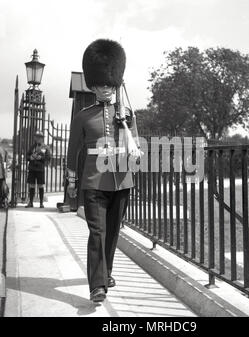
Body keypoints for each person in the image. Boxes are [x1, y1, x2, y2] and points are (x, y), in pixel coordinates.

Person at [66, 39, 142, 303]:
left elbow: (135, 145)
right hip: (93, 182)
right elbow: (73, 150)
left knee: (112, 231)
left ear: (116, 83)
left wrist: (132, 146)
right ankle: (97, 285)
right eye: (100, 84)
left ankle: (105, 272)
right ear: (93, 85)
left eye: (109, 84)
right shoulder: (83, 116)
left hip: (121, 181)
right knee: (97, 232)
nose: (105, 89)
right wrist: (72, 180)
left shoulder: (127, 114)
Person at [26, 130, 51, 208]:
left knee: (40, 186)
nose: (38, 138)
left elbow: (48, 158)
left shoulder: (46, 147)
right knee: (31, 186)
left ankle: (41, 203)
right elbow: (27, 156)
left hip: (40, 169)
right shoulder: (32, 147)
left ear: (42, 138)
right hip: (32, 169)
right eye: (36, 137)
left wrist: (41, 158)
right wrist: (30, 157)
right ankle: (30, 203)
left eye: (39, 137)